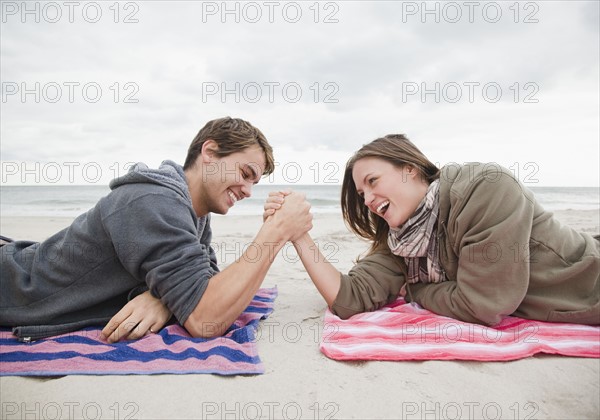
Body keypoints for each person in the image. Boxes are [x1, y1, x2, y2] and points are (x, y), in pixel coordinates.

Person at [0, 117, 312, 342]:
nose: (247, 190)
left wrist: (162, 298)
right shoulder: (154, 201)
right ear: (210, 152)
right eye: (246, 173)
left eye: (254, 183)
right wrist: (276, 232)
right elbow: (206, 319)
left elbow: (208, 281)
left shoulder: (194, 215)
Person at [265, 134, 599, 325]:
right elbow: (350, 299)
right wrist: (298, 234)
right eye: (362, 194)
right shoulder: (401, 241)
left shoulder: (483, 188)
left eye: (372, 182)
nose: (367, 199)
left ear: (409, 169)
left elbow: (484, 304)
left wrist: (414, 291)